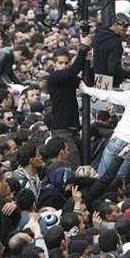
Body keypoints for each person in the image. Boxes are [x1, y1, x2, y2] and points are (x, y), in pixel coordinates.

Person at [46, 33, 93, 169]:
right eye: (60, 63)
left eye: (67, 63)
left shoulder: (69, 77)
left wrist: (88, 63)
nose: (64, 66)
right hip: (62, 130)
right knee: (75, 166)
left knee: (84, 163)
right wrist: (83, 48)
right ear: (54, 64)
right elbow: (72, 72)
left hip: (73, 130)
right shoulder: (54, 77)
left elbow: (86, 81)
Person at [93, 13, 130, 88]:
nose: (126, 29)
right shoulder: (115, 42)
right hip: (111, 82)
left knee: (100, 98)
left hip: (99, 79)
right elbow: (113, 69)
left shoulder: (98, 36)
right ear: (115, 24)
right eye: (124, 26)